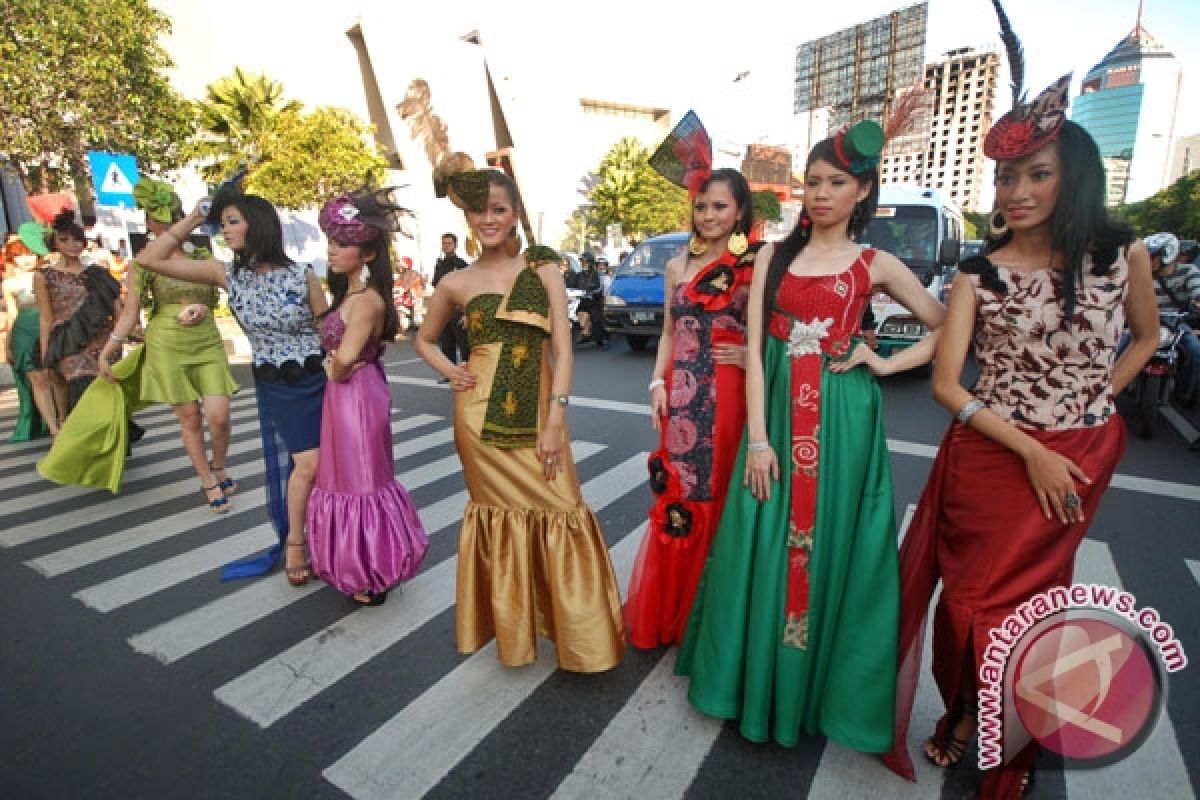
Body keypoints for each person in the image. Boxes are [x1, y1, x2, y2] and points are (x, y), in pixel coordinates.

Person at [882, 49, 1159, 797]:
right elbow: (947, 385)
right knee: (967, 606)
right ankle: (969, 708)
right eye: (1007, 175)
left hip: (1081, 454)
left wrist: (1098, 398)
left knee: (1033, 607)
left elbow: (1148, 337)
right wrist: (1031, 450)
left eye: (1038, 172)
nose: (1019, 189)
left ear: (1074, 174)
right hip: (992, 454)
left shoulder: (1121, 254)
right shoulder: (980, 271)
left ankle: (1007, 731)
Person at [675, 119, 945, 751]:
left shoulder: (875, 264)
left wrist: (884, 361)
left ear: (863, 191)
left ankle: (810, 692)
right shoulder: (776, 254)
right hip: (778, 419)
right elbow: (755, 355)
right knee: (761, 540)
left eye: (836, 182)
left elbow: (943, 322)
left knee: (828, 549)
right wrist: (760, 443)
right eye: (813, 182)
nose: (820, 193)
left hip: (846, 420)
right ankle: (751, 685)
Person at [414, 163, 625, 672]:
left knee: (564, 506)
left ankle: (582, 641)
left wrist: (556, 421)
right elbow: (423, 339)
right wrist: (451, 369)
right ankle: (518, 634)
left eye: (498, 209)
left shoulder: (542, 267)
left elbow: (564, 351)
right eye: (478, 210)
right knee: (502, 522)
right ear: (466, 215)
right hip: (477, 417)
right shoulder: (456, 281)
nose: (488, 219)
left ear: (514, 215)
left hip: (538, 413)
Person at [135, 183, 327, 585]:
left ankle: (327, 536)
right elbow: (150, 258)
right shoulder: (226, 274)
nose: (224, 230)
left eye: (232, 222)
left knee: (327, 468)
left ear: (256, 225)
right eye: (221, 224)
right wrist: (193, 217)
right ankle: (294, 540)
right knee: (307, 463)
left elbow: (331, 332)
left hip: (320, 381)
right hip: (280, 386)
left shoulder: (303, 276)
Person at [625, 162, 761, 650]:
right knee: (679, 499)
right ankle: (673, 613)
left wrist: (750, 354)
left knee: (718, 499)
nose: (709, 215)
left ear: (740, 209)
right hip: (679, 401)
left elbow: (772, 332)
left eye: (720, 206)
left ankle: (708, 621)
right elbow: (667, 332)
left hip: (727, 398)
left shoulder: (754, 265)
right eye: (701, 206)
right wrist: (656, 381)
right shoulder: (677, 265)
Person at [39, 179, 240, 502]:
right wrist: (108, 351)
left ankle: (219, 465)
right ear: (148, 223)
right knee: (189, 417)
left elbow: (221, 294)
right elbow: (130, 312)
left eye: (174, 216)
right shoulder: (143, 262)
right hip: (166, 342)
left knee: (219, 415)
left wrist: (204, 306)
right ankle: (207, 480)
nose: (169, 223)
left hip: (207, 341)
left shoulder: (203, 253)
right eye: (161, 218)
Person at [307, 188, 429, 606]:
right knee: (354, 479)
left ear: (368, 254)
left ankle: (370, 570)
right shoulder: (355, 297)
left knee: (359, 481)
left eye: (344, 244)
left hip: (354, 397)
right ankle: (364, 566)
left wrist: (333, 367)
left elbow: (342, 361)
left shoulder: (364, 303)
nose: (334, 251)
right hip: (354, 395)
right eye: (333, 243)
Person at [36, 210, 123, 417]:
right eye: (64, 240)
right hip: (68, 342)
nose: (72, 244)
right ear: (54, 243)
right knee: (81, 385)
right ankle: (79, 435)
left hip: (102, 339)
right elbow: (46, 318)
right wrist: (46, 355)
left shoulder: (99, 272)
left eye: (77, 239)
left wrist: (119, 339)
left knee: (105, 390)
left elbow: (117, 308)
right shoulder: (44, 276)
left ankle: (109, 439)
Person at [2, 229, 54, 440]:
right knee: (38, 379)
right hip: (23, 334)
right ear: (13, 259)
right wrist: (8, 344)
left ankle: (62, 418)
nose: (26, 259)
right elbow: (12, 316)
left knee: (54, 377)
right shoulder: (9, 284)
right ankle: (53, 427)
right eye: (20, 255)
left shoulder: (50, 275)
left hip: (50, 330)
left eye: (30, 253)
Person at [1142, 232, 1200, 407]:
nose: (1148, 260)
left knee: (1195, 351)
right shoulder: (1141, 273)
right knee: (1119, 346)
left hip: (1177, 323)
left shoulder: (1189, 271)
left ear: (1167, 255)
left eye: (1153, 256)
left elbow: (1197, 293)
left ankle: (1185, 392)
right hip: (1145, 322)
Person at [432, 232, 468, 369]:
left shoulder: (461, 264)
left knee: (463, 341)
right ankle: (449, 370)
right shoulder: (440, 263)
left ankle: (468, 367)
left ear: (455, 245)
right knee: (446, 341)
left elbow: (466, 286)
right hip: (443, 308)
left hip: (457, 307)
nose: (445, 246)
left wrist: (466, 312)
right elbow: (435, 283)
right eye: (444, 243)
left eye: (448, 243)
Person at [576, 252, 608, 347]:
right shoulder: (578, 275)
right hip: (579, 300)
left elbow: (599, 288)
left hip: (592, 300)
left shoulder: (596, 275)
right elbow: (571, 286)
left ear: (591, 263)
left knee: (596, 318)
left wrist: (592, 293)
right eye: (582, 262)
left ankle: (599, 338)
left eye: (585, 262)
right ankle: (578, 333)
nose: (583, 264)